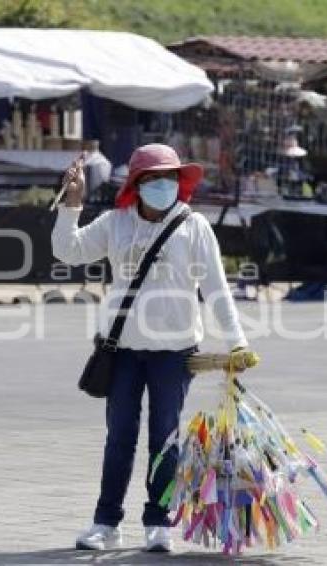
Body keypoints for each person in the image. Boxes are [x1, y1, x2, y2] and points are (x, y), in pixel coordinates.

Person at [51, 144, 257, 553]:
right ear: (137, 184)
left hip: (175, 352)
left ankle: (158, 522)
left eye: (170, 178)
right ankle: (105, 522)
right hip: (123, 350)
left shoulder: (194, 226)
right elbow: (67, 251)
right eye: (154, 178)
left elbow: (216, 287)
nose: (164, 185)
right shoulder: (115, 223)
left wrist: (237, 341)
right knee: (119, 437)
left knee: (165, 438)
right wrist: (71, 205)